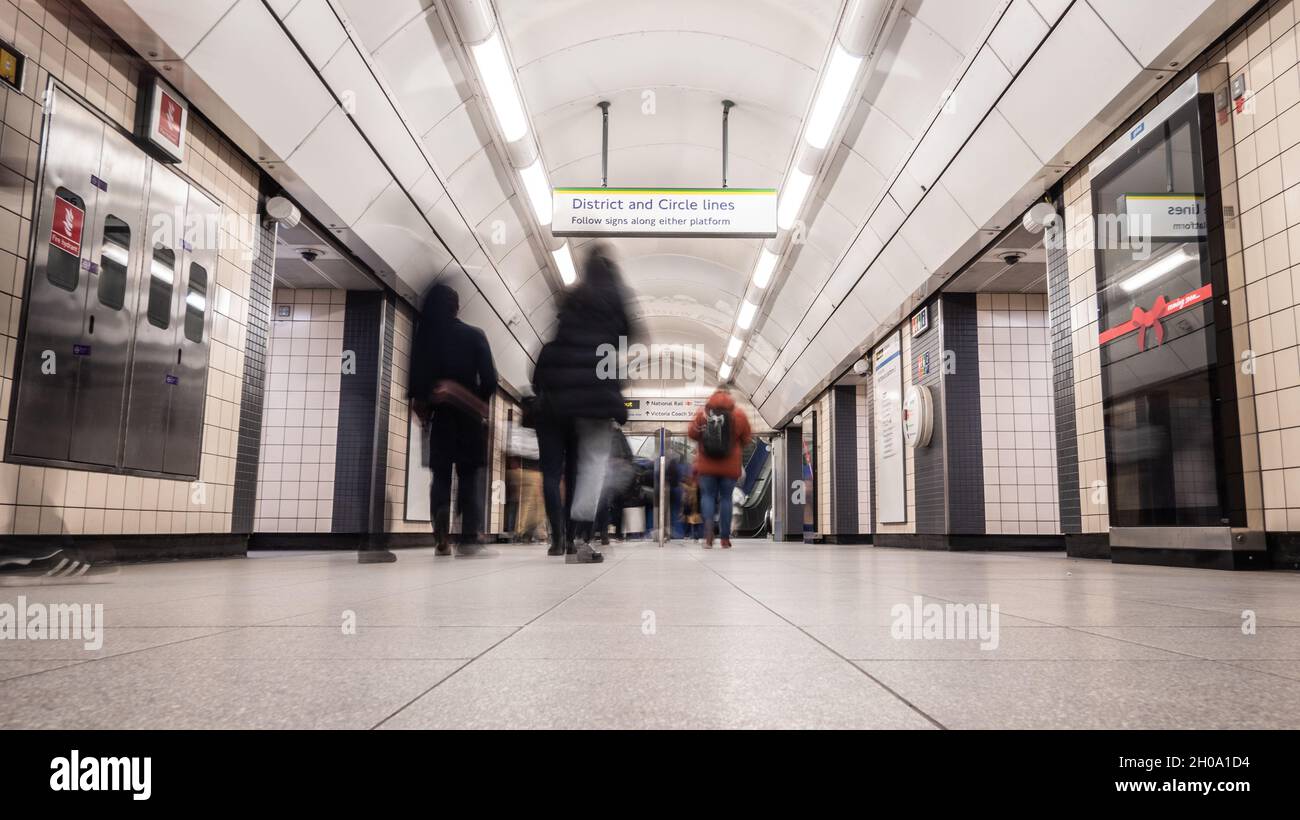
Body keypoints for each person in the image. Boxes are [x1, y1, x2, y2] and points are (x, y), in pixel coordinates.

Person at [532, 242, 636, 564]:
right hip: (598, 392)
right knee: (591, 465)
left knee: (565, 468)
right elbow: (630, 337)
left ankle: (564, 535)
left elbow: (555, 346)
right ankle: (581, 537)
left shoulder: (573, 297)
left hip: (566, 397)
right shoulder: (617, 297)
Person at [409, 283, 497, 557]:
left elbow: (416, 386)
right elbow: (491, 381)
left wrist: (426, 407)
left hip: (441, 418)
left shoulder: (425, 338)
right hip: (468, 417)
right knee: (469, 476)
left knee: (441, 476)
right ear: (457, 307)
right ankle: (469, 539)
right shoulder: (474, 335)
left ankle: (441, 529)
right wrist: (478, 399)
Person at [688, 385, 753, 548]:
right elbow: (747, 439)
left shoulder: (702, 413)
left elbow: (691, 433)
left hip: (707, 466)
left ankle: (708, 534)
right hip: (729, 466)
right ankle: (725, 538)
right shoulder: (739, 414)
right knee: (726, 499)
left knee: (708, 497)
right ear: (730, 396)